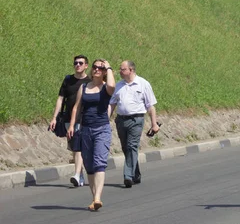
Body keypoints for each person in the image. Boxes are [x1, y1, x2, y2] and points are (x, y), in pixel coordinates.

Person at [67, 59, 115, 211]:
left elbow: (113, 85)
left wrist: (109, 67)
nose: (97, 70)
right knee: (89, 165)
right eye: (95, 67)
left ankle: (97, 198)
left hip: (102, 129)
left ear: (105, 71)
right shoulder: (84, 87)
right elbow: (76, 107)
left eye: (101, 68)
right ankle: (94, 198)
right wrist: (73, 125)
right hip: (86, 129)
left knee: (99, 162)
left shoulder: (106, 87)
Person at [108, 61, 160, 188]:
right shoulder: (119, 85)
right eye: (120, 69)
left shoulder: (143, 84)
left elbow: (150, 106)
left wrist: (154, 124)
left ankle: (128, 176)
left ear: (131, 70)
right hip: (121, 120)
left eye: (122, 69)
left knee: (132, 146)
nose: (120, 71)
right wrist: (105, 119)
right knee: (126, 148)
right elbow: (112, 104)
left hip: (136, 120)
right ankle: (135, 174)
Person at [49, 55, 91, 187]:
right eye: (75, 63)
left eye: (80, 63)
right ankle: (80, 174)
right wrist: (54, 117)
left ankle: (77, 175)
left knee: (78, 147)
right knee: (74, 148)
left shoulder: (89, 81)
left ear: (86, 66)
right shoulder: (68, 80)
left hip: (84, 119)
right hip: (68, 118)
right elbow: (60, 99)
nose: (77, 65)